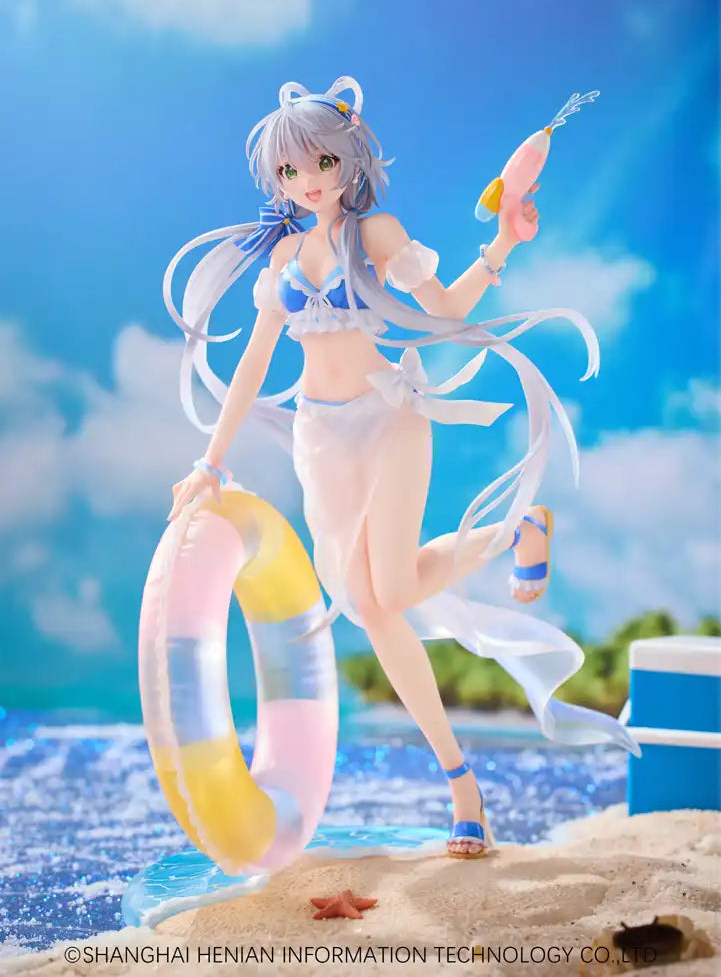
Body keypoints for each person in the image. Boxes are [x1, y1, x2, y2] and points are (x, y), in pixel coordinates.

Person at [164, 76, 640, 859]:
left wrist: (503, 244)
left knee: (384, 592)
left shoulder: (376, 232)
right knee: (372, 606)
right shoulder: (282, 253)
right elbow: (253, 362)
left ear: (348, 157)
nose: (307, 180)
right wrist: (209, 462)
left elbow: (447, 315)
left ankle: (462, 788)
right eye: (289, 169)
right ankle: (511, 546)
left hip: (388, 417)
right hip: (320, 439)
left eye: (321, 161)